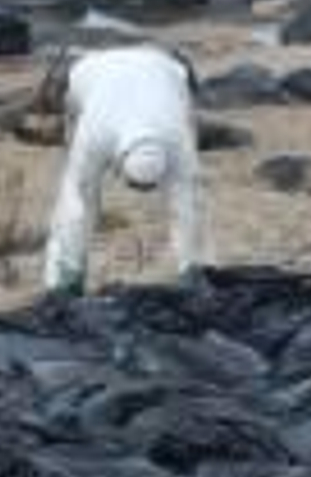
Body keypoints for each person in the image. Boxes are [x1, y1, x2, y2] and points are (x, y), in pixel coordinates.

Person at [40, 44, 203, 295]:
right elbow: (76, 203)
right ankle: (65, 278)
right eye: (137, 186)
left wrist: (191, 269)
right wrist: (68, 279)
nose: (140, 192)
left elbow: (188, 205)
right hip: (89, 72)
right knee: (77, 192)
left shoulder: (178, 141)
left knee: (187, 195)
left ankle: (190, 272)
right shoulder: (96, 135)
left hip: (164, 69)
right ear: (120, 162)